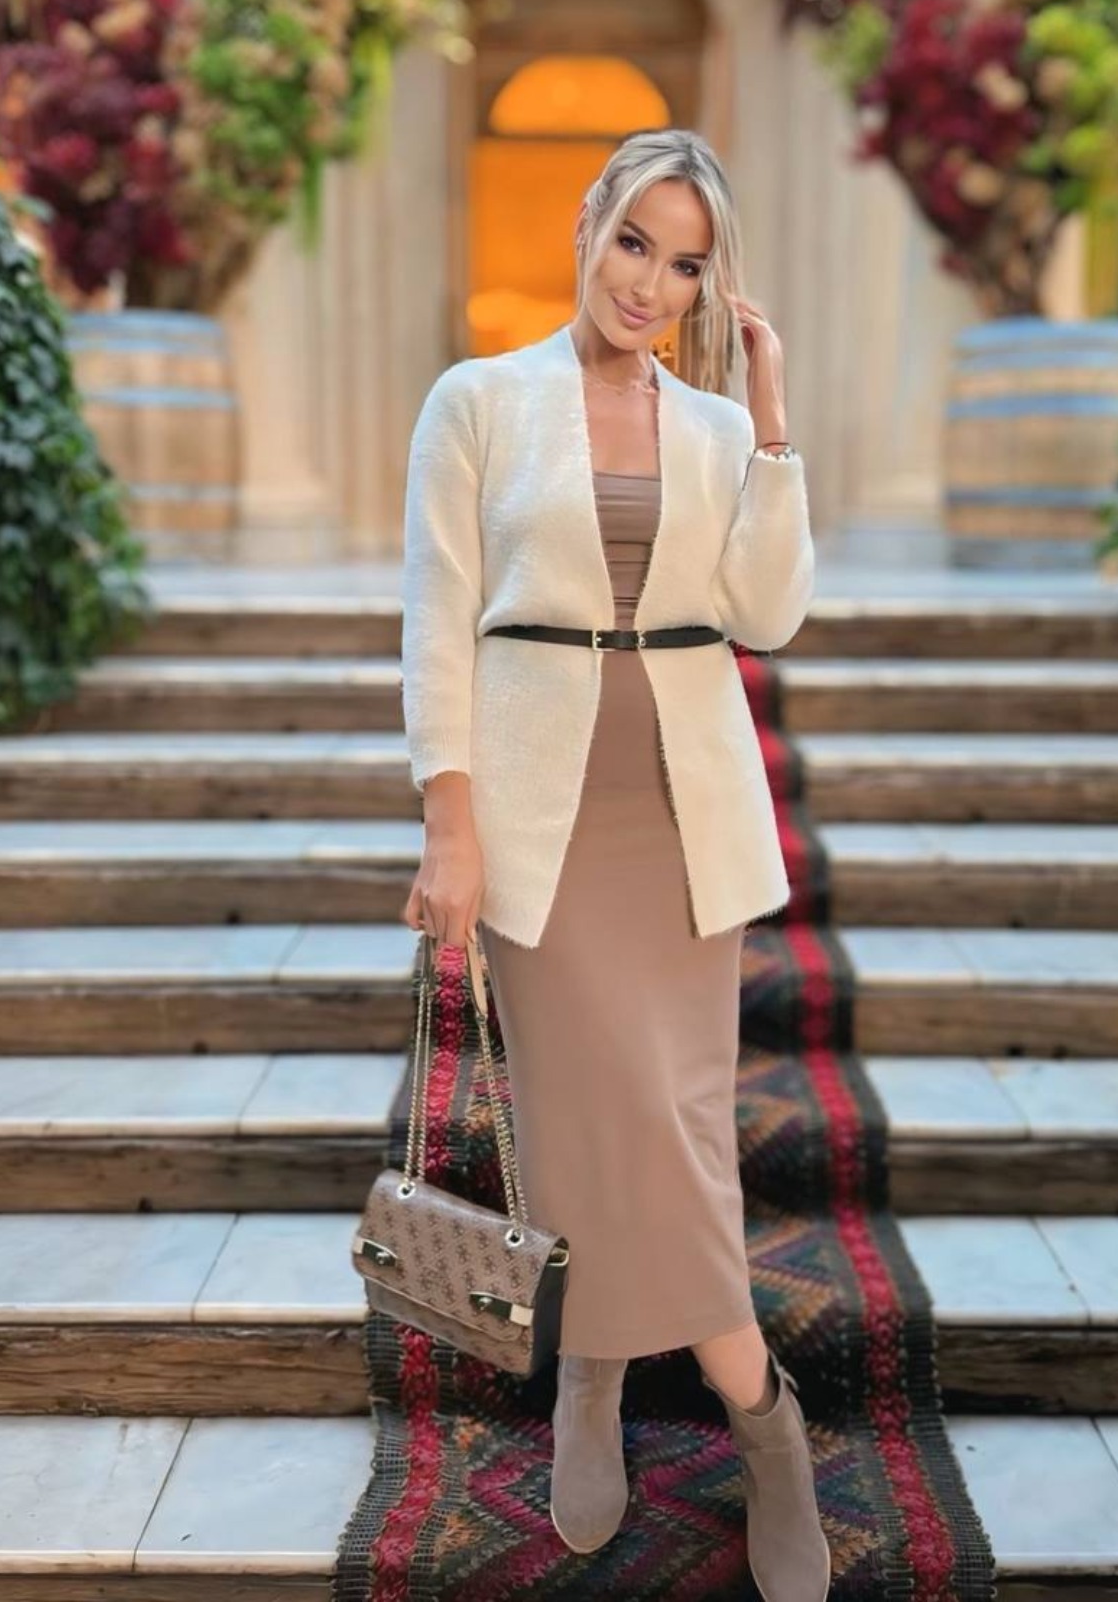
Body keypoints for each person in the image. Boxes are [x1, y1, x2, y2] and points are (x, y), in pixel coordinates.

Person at [399, 127, 830, 1600]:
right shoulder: (477, 401)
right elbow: (437, 620)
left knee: (680, 1121)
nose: (650, 281)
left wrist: (771, 424)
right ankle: (664, 1388)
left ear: (708, 283)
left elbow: (768, 613)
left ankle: (747, 1418)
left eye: (685, 262)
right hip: (541, 809)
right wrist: (450, 821)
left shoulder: (711, 428)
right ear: (589, 223)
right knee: (590, 1110)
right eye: (634, 240)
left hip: (683, 807)